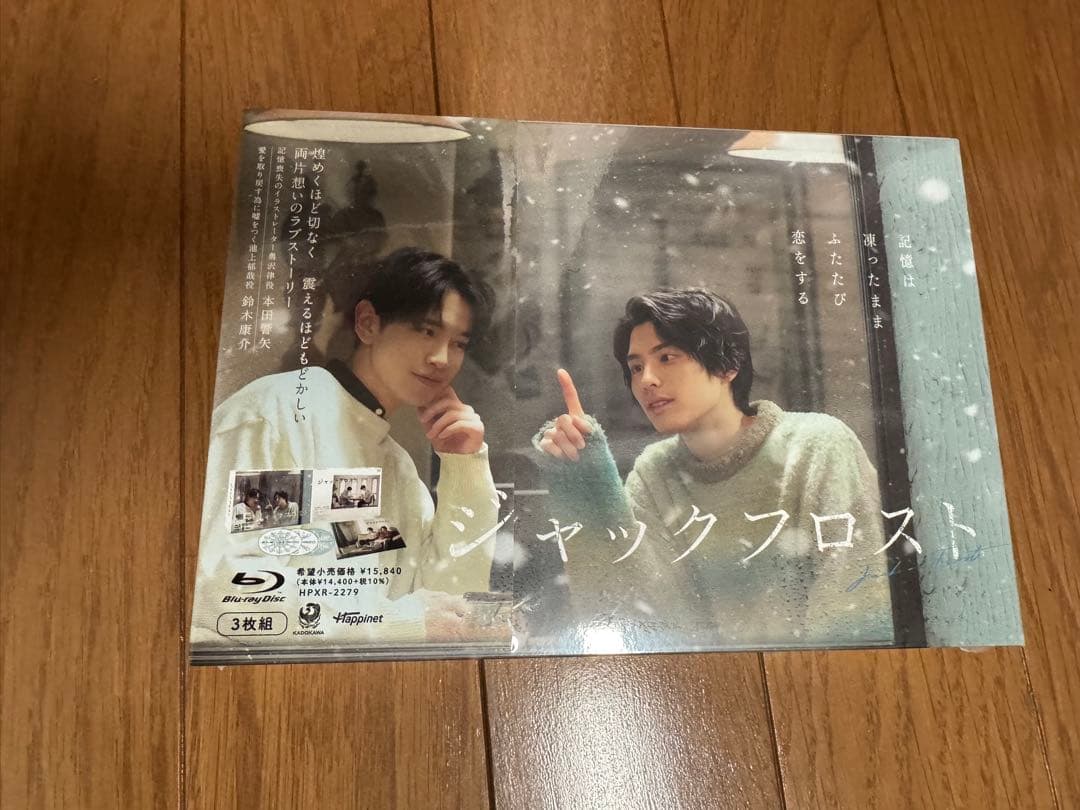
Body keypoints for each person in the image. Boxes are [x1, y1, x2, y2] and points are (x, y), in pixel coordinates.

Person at [533, 287, 894, 650]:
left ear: (727, 365)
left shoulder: (817, 444)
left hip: (814, 678)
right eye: (636, 367)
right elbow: (636, 618)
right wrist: (584, 478)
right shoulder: (653, 472)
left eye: (667, 357)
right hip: (707, 680)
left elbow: (857, 604)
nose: (646, 380)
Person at [195, 247, 500, 611]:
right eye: (427, 330)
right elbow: (228, 583)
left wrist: (465, 467)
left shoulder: (397, 469)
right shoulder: (281, 412)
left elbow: (450, 601)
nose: (441, 358)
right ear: (368, 323)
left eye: (458, 344)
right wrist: (399, 623)